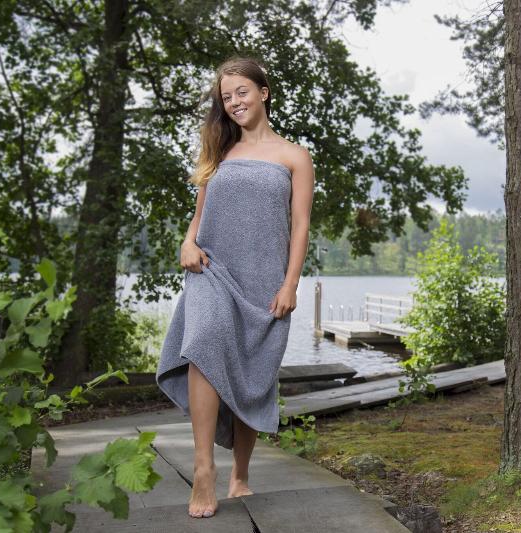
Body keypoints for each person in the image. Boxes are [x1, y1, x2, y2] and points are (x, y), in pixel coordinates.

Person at [155, 55, 315, 519]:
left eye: (242, 92)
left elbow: (300, 226)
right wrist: (187, 242)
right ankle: (203, 467)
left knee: (252, 371)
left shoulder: (294, 156)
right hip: (212, 269)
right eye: (226, 97)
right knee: (203, 341)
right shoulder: (219, 152)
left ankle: (240, 473)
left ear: (264, 93)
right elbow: (199, 213)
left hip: (264, 279)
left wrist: (290, 284)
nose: (234, 102)